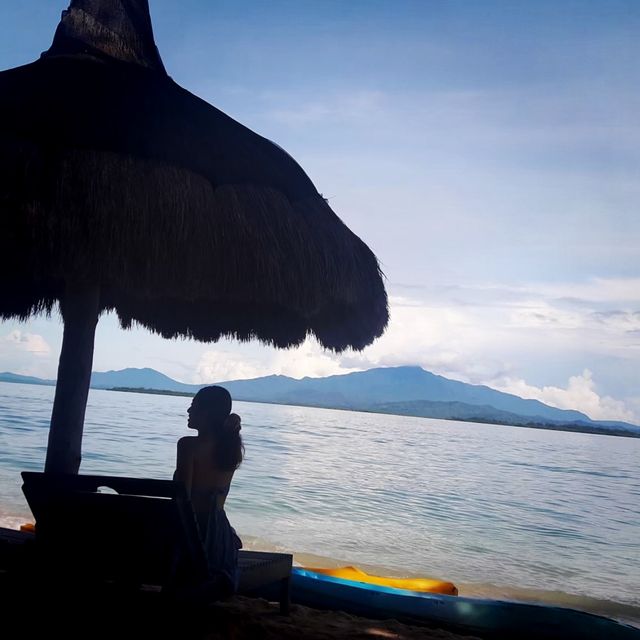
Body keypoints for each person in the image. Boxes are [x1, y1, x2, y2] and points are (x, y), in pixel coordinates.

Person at [174, 385, 244, 593]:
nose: (188, 411)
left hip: (192, 535)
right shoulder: (231, 449)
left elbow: (183, 500)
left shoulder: (188, 446)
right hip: (218, 536)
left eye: (194, 406)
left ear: (207, 413)